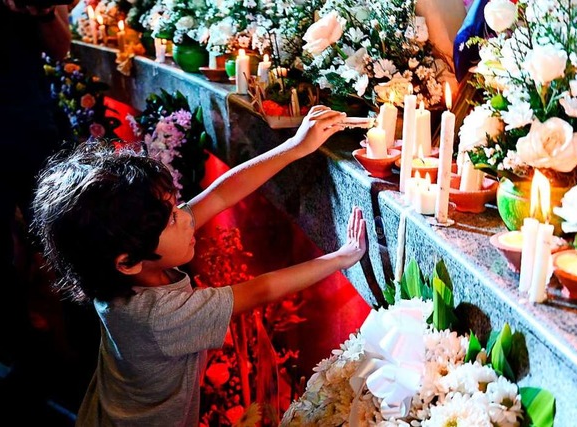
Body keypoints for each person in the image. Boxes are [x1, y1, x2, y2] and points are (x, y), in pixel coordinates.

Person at [31, 105, 368, 426]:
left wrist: (296, 146)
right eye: (172, 218)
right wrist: (342, 256)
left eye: (176, 207)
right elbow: (261, 289)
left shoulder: (113, 261)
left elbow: (219, 195)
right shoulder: (160, 317)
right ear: (128, 262)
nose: (186, 218)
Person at [0, 0, 73, 420]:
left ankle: (81, 358)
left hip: (29, 125)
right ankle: (25, 360)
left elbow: (61, 48)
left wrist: (42, 11)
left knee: (64, 241)